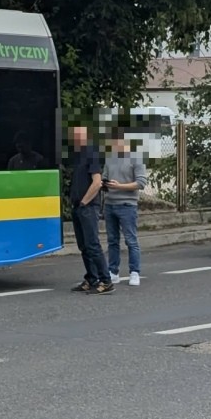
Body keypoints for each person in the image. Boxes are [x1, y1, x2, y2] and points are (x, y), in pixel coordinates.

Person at [68, 123, 113, 294]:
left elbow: (97, 182)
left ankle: (106, 280)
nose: (75, 138)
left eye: (79, 134)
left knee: (93, 245)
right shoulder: (78, 156)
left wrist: (84, 202)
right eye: (74, 134)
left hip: (87, 207)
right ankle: (91, 278)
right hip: (78, 206)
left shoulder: (91, 153)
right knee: (84, 246)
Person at [103, 126, 148, 286]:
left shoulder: (136, 158)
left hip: (127, 204)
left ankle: (134, 272)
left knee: (131, 240)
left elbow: (141, 183)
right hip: (110, 204)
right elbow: (105, 176)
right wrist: (104, 184)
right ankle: (113, 271)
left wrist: (119, 186)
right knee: (112, 240)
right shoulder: (110, 158)